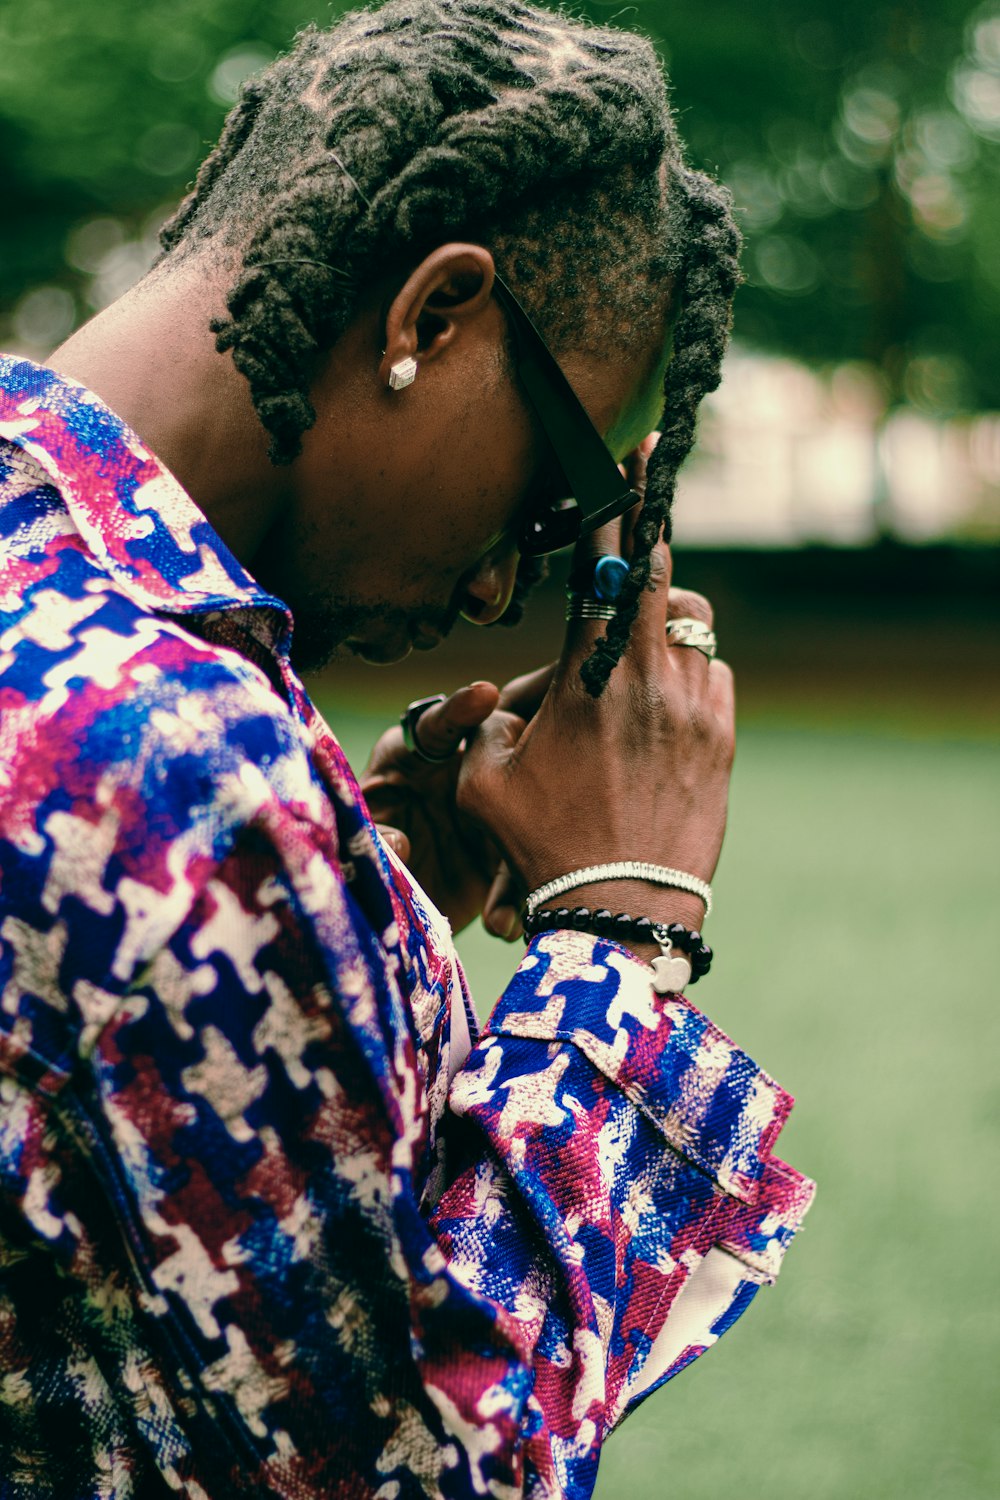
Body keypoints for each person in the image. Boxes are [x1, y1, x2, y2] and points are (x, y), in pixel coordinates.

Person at [0, 1, 814, 1495]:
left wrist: (349, 915)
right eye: (553, 491)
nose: (506, 583)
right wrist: (621, 929)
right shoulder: (182, 767)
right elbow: (415, 1474)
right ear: (434, 317)